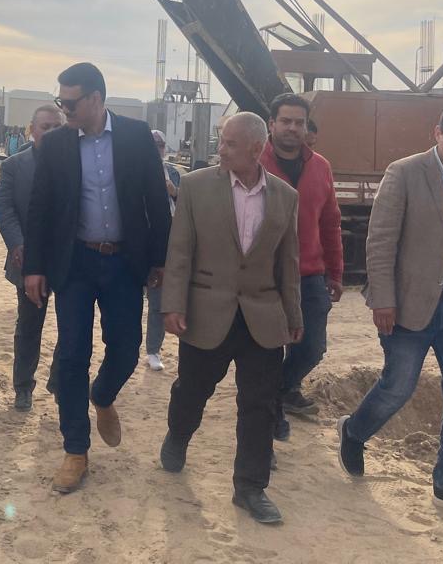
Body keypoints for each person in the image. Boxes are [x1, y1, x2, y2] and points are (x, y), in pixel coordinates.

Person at [337, 103, 443, 525]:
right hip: (408, 305)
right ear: (437, 133)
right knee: (398, 387)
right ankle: (353, 431)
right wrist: (383, 299)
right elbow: (380, 240)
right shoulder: (404, 173)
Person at [24, 62, 171, 494]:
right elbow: (39, 209)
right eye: (60, 102)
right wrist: (34, 267)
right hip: (74, 263)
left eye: (70, 102)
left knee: (126, 349)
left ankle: (103, 396)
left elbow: (156, 201)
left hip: (124, 262)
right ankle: (75, 450)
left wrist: (160, 259)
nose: (64, 110)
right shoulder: (55, 144)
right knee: (72, 355)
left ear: (95, 99)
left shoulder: (135, 136)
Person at [159, 112, 301, 524]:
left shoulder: (285, 196)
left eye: (230, 144)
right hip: (207, 312)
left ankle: (250, 488)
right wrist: (173, 305)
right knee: (193, 390)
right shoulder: (195, 186)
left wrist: (293, 315)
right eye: (221, 141)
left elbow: (288, 263)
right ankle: (178, 435)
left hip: (262, 316)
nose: (220, 150)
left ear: (256, 149)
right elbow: (180, 251)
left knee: (259, 404)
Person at [259, 95, 342, 440]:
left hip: (309, 275)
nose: (292, 128)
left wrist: (335, 272)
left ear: (307, 127)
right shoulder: (255, 162)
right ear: (272, 124)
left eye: (299, 122)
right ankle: (269, 415)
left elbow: (330, 222)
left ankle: (279, 392)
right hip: (263, 276)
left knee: (312, 347)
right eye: (286, 121)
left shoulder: (320, 167)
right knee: (266, 350)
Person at [0, 104, 64, 411]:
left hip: (68, 260)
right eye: (45, 127)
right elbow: (4, 207)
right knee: (29, 326)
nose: (51, 132)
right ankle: (23, 386)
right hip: (27, 260)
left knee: (72, 326)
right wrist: (17, 244)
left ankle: (58, 381)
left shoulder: (76, 164)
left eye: (57, 127)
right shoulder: (14, 165)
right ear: (32, 129)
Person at [143, 130, 181, 372]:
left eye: (160, 144)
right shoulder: (134, 169)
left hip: (165, 244)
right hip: (138, 244)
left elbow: (187, 205)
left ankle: (153, 350)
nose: (157, 148)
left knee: (158, 301)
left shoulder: (173, 173)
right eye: (152, 143)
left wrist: (174, 192)